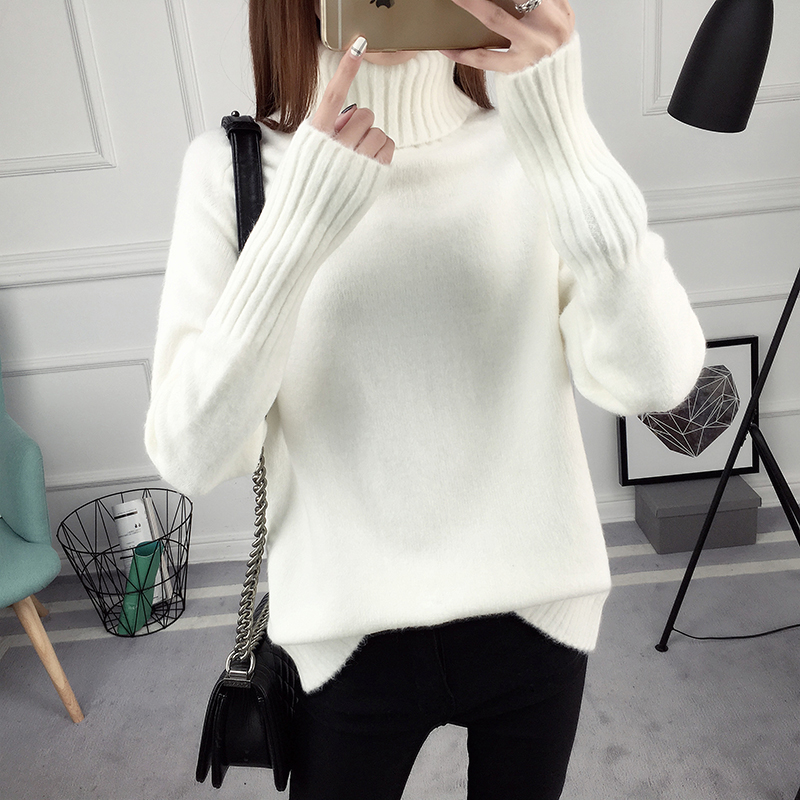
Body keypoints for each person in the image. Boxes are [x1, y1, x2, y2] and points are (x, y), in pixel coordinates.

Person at [145, 0, 706, 796]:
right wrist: (295, 226)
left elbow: (656, 379)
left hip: (538, 615)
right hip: (347, 636)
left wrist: (566, 134)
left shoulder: (537, 144)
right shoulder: (229, 169)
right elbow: (191, 456)